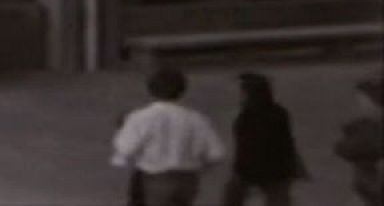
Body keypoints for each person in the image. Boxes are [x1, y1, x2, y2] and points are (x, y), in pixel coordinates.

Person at [112, 67, 226, 206]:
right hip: (188, 178)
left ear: (150, 89)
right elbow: (216, 153)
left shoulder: (140, 117)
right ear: (182, 90)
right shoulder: (196, 118)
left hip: (156, 177)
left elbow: (126, 148)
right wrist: (200, 168)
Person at [223, 72, 305, 206]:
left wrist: (239, 171)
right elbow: (286, 143)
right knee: (279, 197)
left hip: (254, 169)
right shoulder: (279, 113)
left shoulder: (246, 117)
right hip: (279, 169)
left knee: (232, 194)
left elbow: (244, 148)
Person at [335, 75, 382, 206]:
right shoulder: (366, 124)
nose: (361, 106)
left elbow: (347, 149)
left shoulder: (370, 126)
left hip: (371, 179)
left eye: (364, 102)